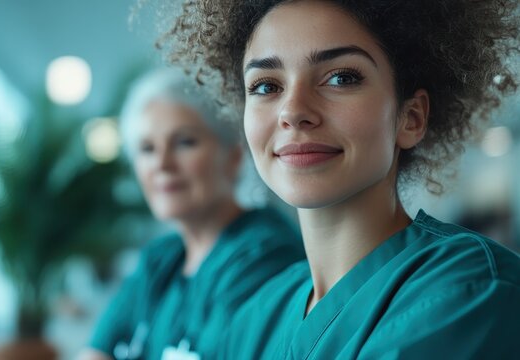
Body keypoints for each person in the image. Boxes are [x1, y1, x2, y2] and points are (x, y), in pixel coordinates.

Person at [160, 0, 520, 358]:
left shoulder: (472, 291)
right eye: (266, 86)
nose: (294, 111)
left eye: (341, 78)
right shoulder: (257, 316)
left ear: (411, 119)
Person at [77, 69, 304, 360]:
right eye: (147, 149)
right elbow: (95, 353)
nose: (161, 163)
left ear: (233, 157)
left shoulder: (263, 254)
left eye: (184, 142)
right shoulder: (159, 259)